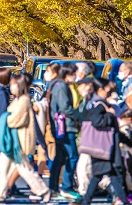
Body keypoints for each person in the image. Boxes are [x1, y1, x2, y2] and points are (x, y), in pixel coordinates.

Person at [0, 73, 50, 203]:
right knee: (3, 167)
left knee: (25, 169)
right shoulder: (19, 100)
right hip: (13, 140)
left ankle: (43, 190)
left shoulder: (24, 101)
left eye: (13, 84)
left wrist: (5, 118)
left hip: (20, 142)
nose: (11, 87)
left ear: (20, 85)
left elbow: (15, 120)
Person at [80, 79, 129, 205]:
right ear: (101, 90)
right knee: (111, 174)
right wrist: (110, 115)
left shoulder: (95, 103)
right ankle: (123, 200)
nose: (109, 91)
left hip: (105, 146)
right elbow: (97, 121)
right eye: (107, 88)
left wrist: (127, 141)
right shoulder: (100, 105)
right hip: (104, 146)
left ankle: (87, 200)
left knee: (106, 175)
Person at [49, 62, 82, 201]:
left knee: (60, 158)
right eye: (74, 74)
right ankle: (66, 186)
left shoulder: (58, 85)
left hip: (60, 126)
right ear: (68, 74)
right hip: (66, 126)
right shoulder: (61, 86)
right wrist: (79, 116)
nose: (75, 77)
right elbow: (65, 108)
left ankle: (53, 187)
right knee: (73, 156)